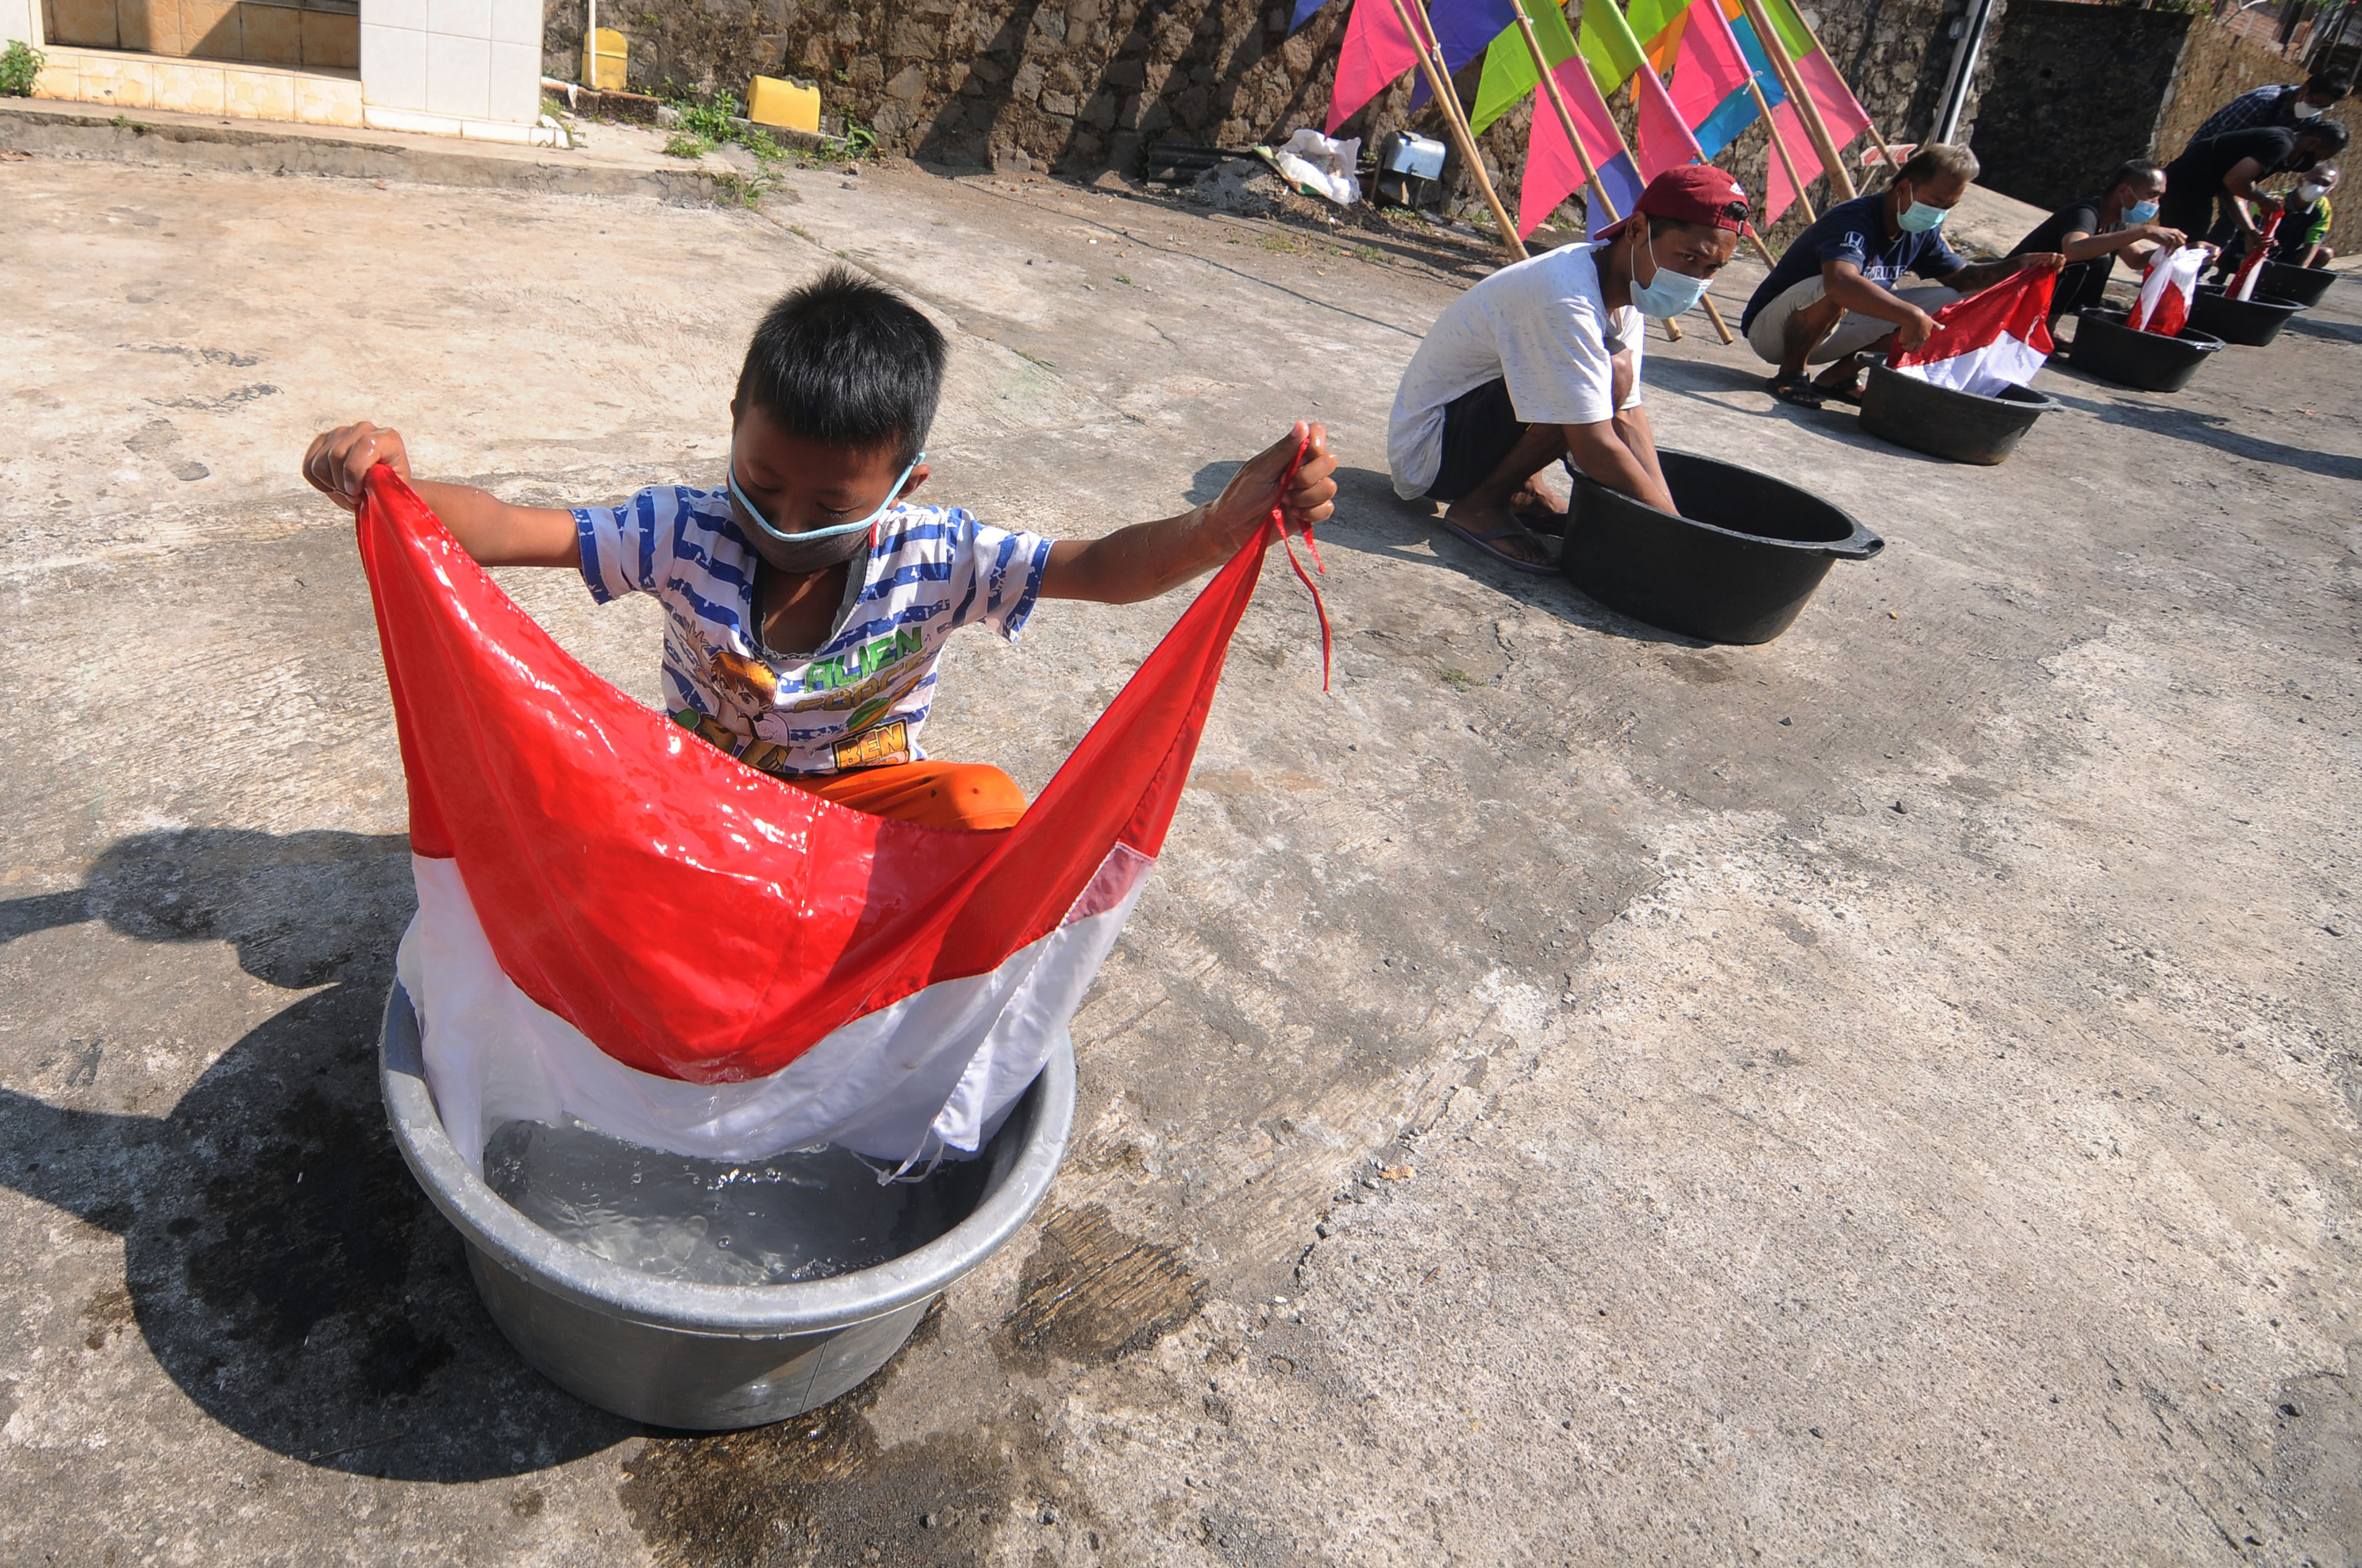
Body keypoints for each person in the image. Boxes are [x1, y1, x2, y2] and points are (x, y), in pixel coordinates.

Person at [302, 268, 1339, 831]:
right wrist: (392, 479)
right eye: (761, 483)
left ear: (902, 489)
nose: (784, 521)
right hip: (703, 789)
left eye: (828, 501)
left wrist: (1212, 531)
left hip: (864, 802)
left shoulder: (938, 557)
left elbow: (1101, 571)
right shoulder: (682, 531)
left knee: (986, 813)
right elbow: (509, 530)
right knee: (551, 807)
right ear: (734, 429)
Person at [1385, 164, 1750, 573]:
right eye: (1688, 258)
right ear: (1637, 230)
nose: (1697, 281)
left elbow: (1629, 416)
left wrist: (1672, 518)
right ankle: (1481, 505)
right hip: (1431, 452)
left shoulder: (1625, 287)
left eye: (1712, 270)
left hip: (1471, 431)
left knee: (1609, 376)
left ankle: (1521, 489)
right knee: (1601, 377)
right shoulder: (1568, 297)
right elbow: (1594, 444)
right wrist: (1677, 537)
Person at [1743, 143, 2061, 409]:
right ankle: (1792, 374)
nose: (1938, 213)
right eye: (1935, 203)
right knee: (1835, 287)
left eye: (1949, 207)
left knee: (1951, 303)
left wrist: (2019, 265)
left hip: (1834, 332)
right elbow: (1840, 281)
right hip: (1775, 333)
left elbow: (1963, 278)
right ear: (1904, 187)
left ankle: (1839, 378)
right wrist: (1910, 314)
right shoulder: (1854, 219)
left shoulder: (1922, 231)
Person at [2008, 159, 2188, 327]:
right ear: (2123, 191)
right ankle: (2042, 326)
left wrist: (2184, 250)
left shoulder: (2117, 222)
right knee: (2095, 260)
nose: (2155, 204)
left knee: (2101, 257)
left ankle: (2048, 326)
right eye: (2151, 195)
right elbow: (2074, 250)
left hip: (2033, 292)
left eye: (2159, 197)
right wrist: (2144, 231)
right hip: (2012, 289)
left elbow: (2136, 260)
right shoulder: (2086, 213)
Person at [2159, 117, 2349, 252]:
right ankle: (2162, 303)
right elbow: (2235, 181)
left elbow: (2233, 191)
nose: (2315, 162)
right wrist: (2262, 199)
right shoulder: (2281, 145)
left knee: (2177, 248)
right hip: (2187, 187)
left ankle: (2158, 300)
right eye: (2323, 155)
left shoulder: (2284, 148)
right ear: (2315, 143)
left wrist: (2252, 231)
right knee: (2186, 250)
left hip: (2190, 187)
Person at [2187, 71, 2352, 145]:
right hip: (2205, 153)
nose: (2316, 110)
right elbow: (2219, 141)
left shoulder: (2310, 118)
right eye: (2315, 103)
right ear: (2304, 89)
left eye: (2324, 107)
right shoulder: (2262, 102)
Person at [2272, 165, 2338, 267]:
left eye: (2325, 184)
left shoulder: (2323, 209)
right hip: (2262, 248)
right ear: (2300, 181)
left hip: (2289, 254)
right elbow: (2255, 231)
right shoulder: (2276, 200)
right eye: (2315, 181)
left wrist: (2301, 270)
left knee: (2325, 254)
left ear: (2330, 191)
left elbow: (2313, 241)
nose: (2318, 187)